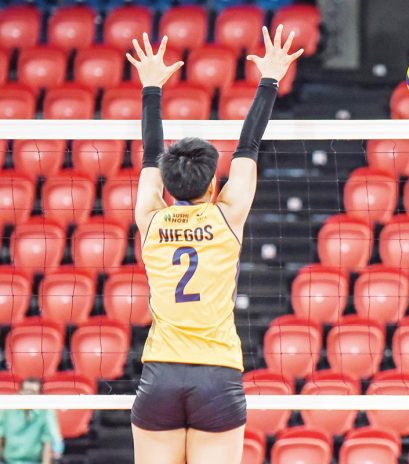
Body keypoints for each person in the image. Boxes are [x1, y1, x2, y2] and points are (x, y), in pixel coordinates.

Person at [126, 26, 302, 464]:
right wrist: (271, 78)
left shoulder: (150, 219)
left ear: (167, 185)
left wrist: (150, 87)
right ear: (213, 183)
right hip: (217, 376)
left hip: (160, 374)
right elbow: (249, 145)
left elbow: (150, 156)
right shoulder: (227, 215)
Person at [0, 378, 63, 464]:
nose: (28, 396)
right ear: (19, 392)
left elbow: (48, 444)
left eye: (33, 392)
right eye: (26, 391)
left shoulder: (45, 412)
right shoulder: (6, 411)